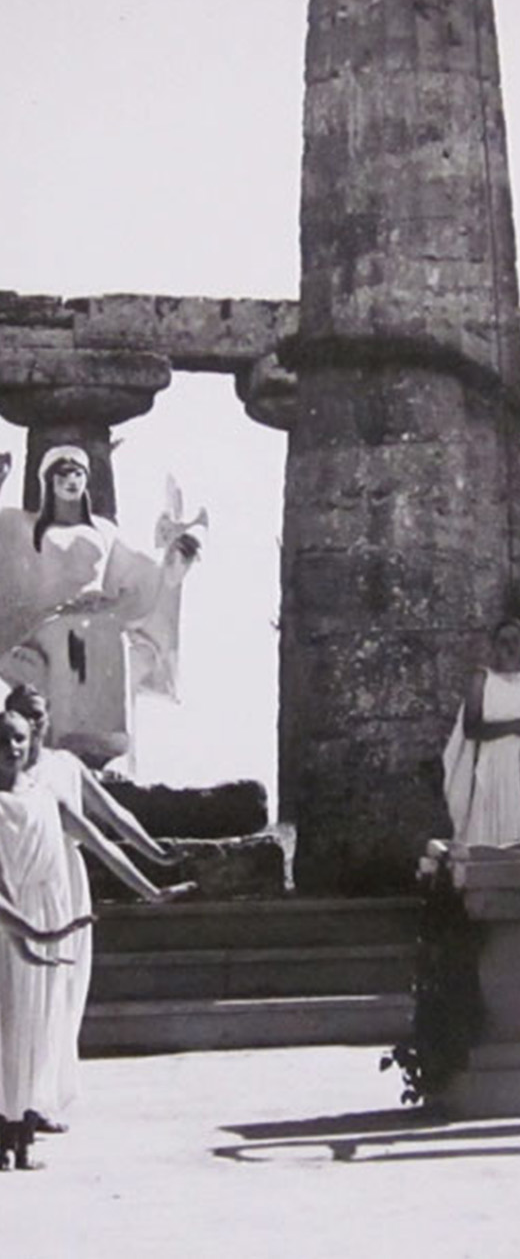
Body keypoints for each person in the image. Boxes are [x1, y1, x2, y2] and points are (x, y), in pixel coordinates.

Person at [5, 683, 190, 1119]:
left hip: (60, 885)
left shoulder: (63, 768)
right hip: (11, 886)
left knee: (61, 993)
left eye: (37, 715)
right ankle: (14, 1104)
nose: (31, 724)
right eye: (21, 714)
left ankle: (42, 1100)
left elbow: (110, 818)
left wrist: (156, 855)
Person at [0, 447, 205, 769]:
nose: (71, 480)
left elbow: (141, 575)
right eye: (63, 473)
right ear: (49, 481)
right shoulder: (25, 525)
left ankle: (106, 742)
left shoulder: (103, 531)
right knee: (75, 632)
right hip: (45, 621)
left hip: (95, 617)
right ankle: (67, 738)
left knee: (107, 632)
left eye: (78, 473)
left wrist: (171, 559)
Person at [0, 709, 98, 1170]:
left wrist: (154, 884)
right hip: (13, 924)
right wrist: (30, 935)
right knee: (6, 1024)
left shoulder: (45, 795)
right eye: (3, 740)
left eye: (18, 738)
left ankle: (23, 1138)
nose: (12, 748)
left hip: (44, 914)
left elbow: (100, 839)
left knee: (38, 1023)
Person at [442, 617, 520, 847]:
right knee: (490, 838)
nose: (510, 647)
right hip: (493, 767)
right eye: (503, 641)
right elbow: (471, 728)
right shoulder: (482, 679)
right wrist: (514, 726)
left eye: (515, 641)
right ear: (494, 646)